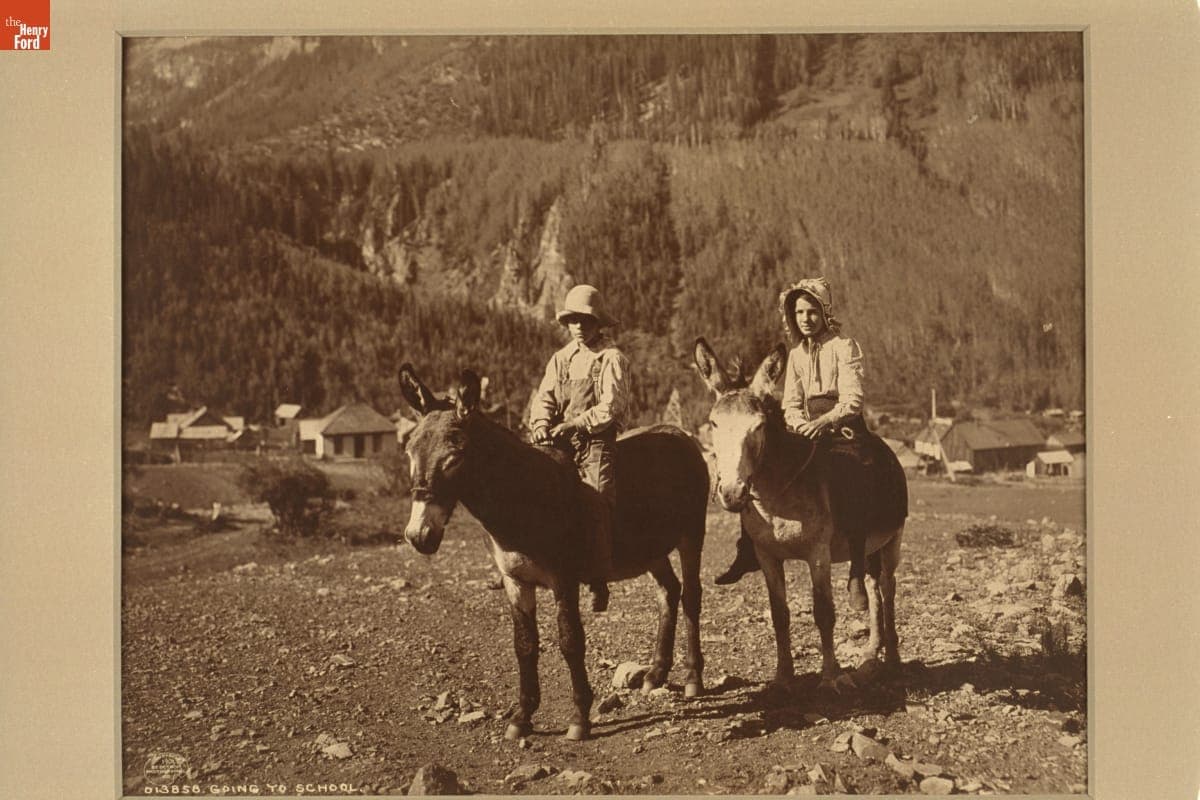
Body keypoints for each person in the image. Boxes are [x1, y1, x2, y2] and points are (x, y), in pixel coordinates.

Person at [714, 277, 874, 613]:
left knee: (854, 473)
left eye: (812, 311)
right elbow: (791, 402)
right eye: (799, 312)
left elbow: (853, 399)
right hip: (805, 426)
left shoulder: (844, 347)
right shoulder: (799, 354)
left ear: (824, 313)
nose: (805, 318)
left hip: (842, 425)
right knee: (760, 468)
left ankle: (858, 564)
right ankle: (749, 547)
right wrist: (800, 424)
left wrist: (824, 422)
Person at [529, 284, 631, 612]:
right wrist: (541, 423)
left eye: (585, 321)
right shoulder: (561, 359)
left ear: (598, 323)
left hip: (597, 439)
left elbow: (611, 407)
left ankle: (599, 577)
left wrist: (574, 424)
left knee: (597, 496)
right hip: (560, 438)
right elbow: (544, 397)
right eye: (573, 321)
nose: (578, 327)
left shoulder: (610, 358)